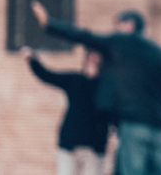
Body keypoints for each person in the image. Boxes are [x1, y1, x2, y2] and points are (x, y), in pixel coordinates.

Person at [31, 1, 161, 175]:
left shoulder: (121, 42)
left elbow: (85, 36)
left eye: (117, 26)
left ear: (128, 25)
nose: (114, 31)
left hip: (134, 127)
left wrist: (49, 24)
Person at [20, 46, 110, 175]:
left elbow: (114, 114)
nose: (91, 59)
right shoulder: (75, 80)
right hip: (69, 147)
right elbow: (48, 75)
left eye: (95, 57)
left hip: (94, 150)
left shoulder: (108, 86)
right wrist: (33, 59)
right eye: (89, 56)